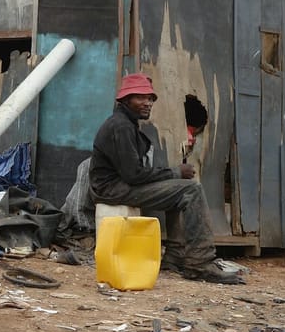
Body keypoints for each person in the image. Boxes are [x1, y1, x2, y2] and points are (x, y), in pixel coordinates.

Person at [89, 73, 244, 285]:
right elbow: (134, 175)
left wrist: (172, 177)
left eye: (150, 98)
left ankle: (175, 256)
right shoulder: (121, 126)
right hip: (114, 189)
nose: (148, 103)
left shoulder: (126, 123)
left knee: (179, 190)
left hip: (118, 185)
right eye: (140, 98)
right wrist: (175, 172)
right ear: (125, 100)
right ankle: (200, 263)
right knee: (191, 190)